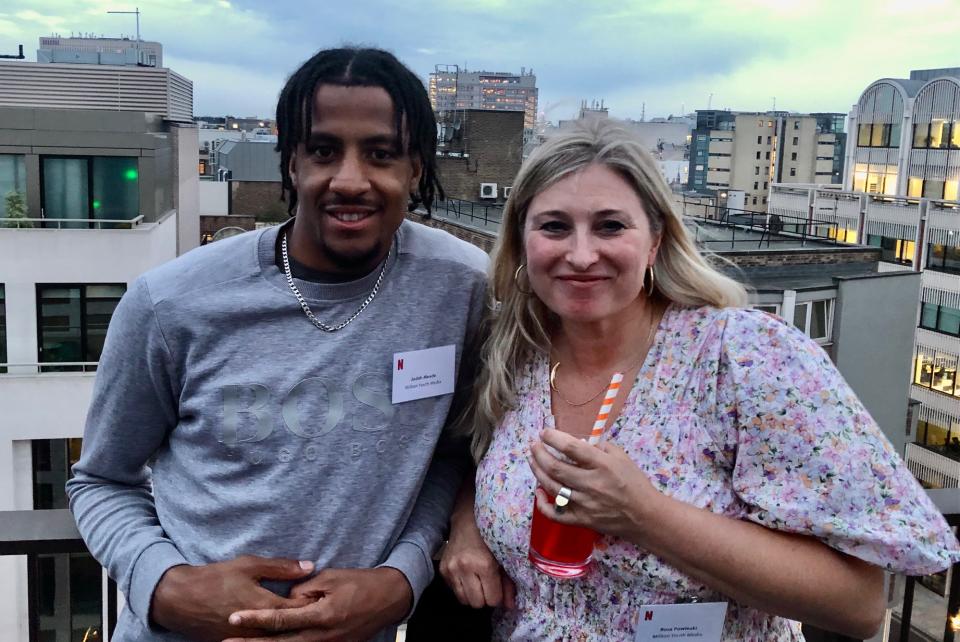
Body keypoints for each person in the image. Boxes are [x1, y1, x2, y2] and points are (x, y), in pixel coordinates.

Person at [440, 117, 960, 640]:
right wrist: (467, 528)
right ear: (522, 242)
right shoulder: (514, 352)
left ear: (655, 241)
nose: (580, 254)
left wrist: (643, 513)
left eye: (610, 226)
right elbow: (481, 456)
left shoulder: (742, 356)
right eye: (554, 226)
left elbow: (860, 604)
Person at [66, 47, 488, 642]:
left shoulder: (461, 289)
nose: (349, 179)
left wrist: (401, 579)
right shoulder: (172, 303)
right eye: (322, 151)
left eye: (381, 153)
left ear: (415, 168)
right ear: (291, 163)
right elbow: (101, 481)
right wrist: (166, 586)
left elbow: (451, 455)